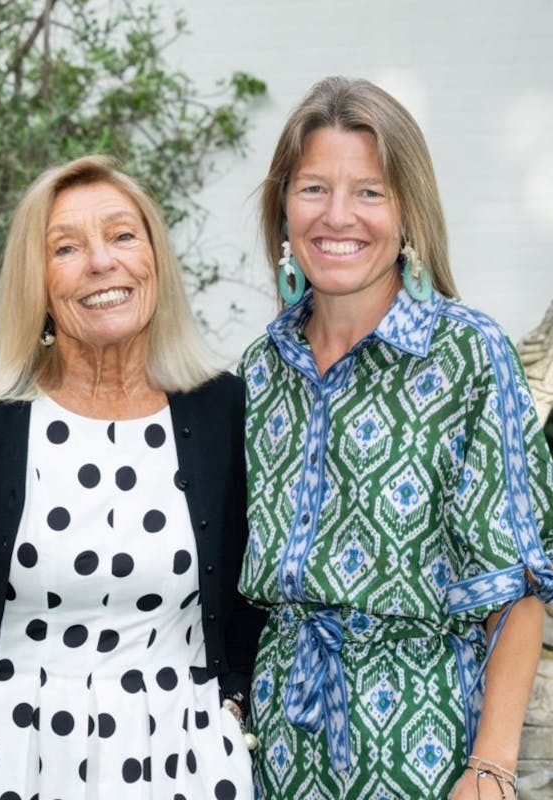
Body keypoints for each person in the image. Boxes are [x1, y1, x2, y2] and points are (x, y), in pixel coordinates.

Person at [0, 154, 266, 799]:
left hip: (181, 751)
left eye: (123, 235)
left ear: (156, 261)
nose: (101, 262)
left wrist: (234, 705)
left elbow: (245, 594)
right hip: (2, 750)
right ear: (37, 283)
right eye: (67, 247)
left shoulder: (225, 411)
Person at [238, 75, 553, 799]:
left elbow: (517, 586)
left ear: (408, 211)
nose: (338, 216)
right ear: (283, 209)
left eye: (370, 192)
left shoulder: (468, 353)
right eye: (314, 188)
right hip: (280, 745)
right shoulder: (260, 368)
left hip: (425, 743)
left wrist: (490, 768)